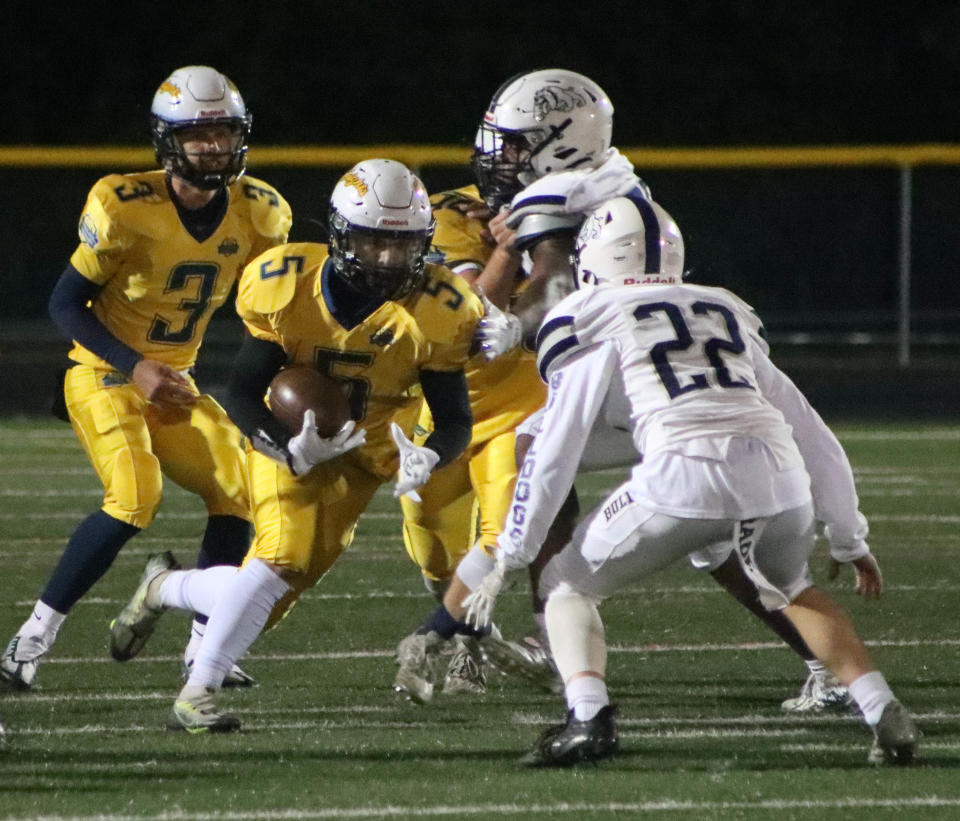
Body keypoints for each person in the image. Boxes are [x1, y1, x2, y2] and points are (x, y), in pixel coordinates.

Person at [463, 195, 918, 767]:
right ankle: (880, 705)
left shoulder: (591, 310)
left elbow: (559, 438)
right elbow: (809, 425)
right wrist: (849, 534)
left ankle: (587, 717)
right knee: (791, 588)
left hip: (684, 470)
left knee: (565, 586)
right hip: (779, 472)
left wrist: (514, 548)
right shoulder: (722, 308)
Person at [472, 67, 854, 713]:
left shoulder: (559, 193)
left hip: (629, 382)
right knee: (717, 535)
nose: (502, 157)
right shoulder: (612, 177)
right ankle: (833, 667)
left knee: (543, 452)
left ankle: (547, 631)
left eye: (516, 143)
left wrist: (511, 317)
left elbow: (554, 277)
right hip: (669, 368)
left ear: (559, 139)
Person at [108, 159, 484, 732]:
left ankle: (167, 586)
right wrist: (285, 447)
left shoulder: (440, 307)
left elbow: (455, 416)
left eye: (402, 246)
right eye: (373, 242)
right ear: (339, 234)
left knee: (276, 596)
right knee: (281, 557)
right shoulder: (285, 284)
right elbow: (240, 390)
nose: (387, 260)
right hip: (294, 435)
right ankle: (196, 693)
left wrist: (430, 453)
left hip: (375, 441)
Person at [0, 66, 291, 691]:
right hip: (105, 373)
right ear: (168, 140)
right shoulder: (124, 204)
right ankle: (30, 640)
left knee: (240, 489)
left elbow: (268, 306)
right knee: (136, 496)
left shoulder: (263, 213)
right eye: (198, 134)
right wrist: (135, 366)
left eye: (223, 132)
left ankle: (204, 648)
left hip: (175, 380)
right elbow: (63, 304)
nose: (212, 146)